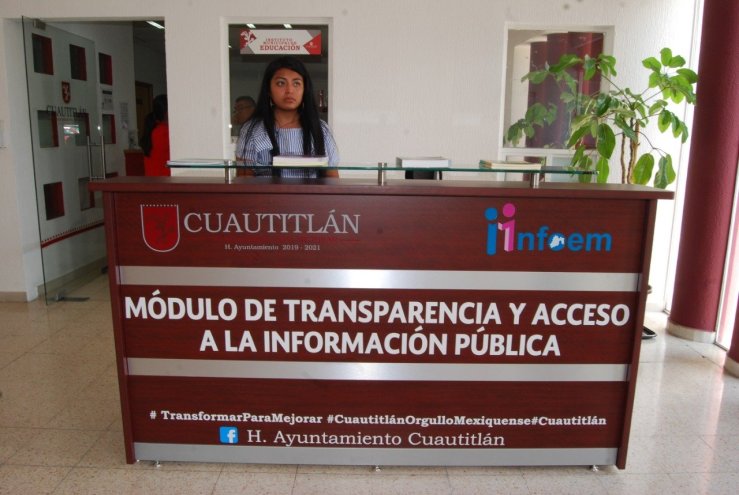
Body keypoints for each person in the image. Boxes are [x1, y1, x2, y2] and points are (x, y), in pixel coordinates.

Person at [236, 56, 339, 178]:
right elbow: (244, 182)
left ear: (305, 89)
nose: (289, 90)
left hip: (310, 192)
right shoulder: (252, 130)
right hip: (266, 192)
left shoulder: (320, 129)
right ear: (268, 89)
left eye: (296, 83)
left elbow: (332, 180)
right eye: (281, 83)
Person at [140, 94, 170, 176]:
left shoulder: (152, 129)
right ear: (166, 112)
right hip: (164, 180)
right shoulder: (164, 131)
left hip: (152, 179)